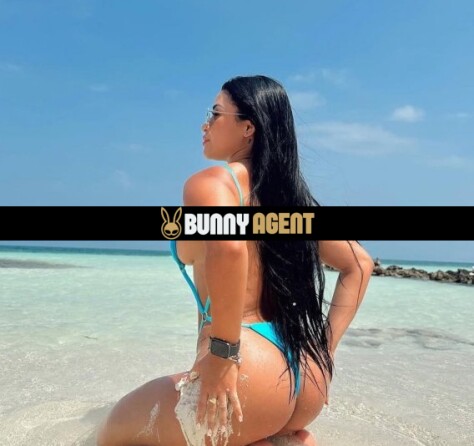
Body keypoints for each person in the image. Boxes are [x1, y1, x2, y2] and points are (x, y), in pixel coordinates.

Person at [97, 75, 374, 446]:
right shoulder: (291, 203)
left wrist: (223, 355)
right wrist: (326, 349)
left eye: (215, 114)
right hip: (306, 373)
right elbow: (360, 265)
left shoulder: (212, 184)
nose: (205, 124)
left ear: (248, 128)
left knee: (110, 432)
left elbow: (229, 248)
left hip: (248, 369)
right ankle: (277, 438)